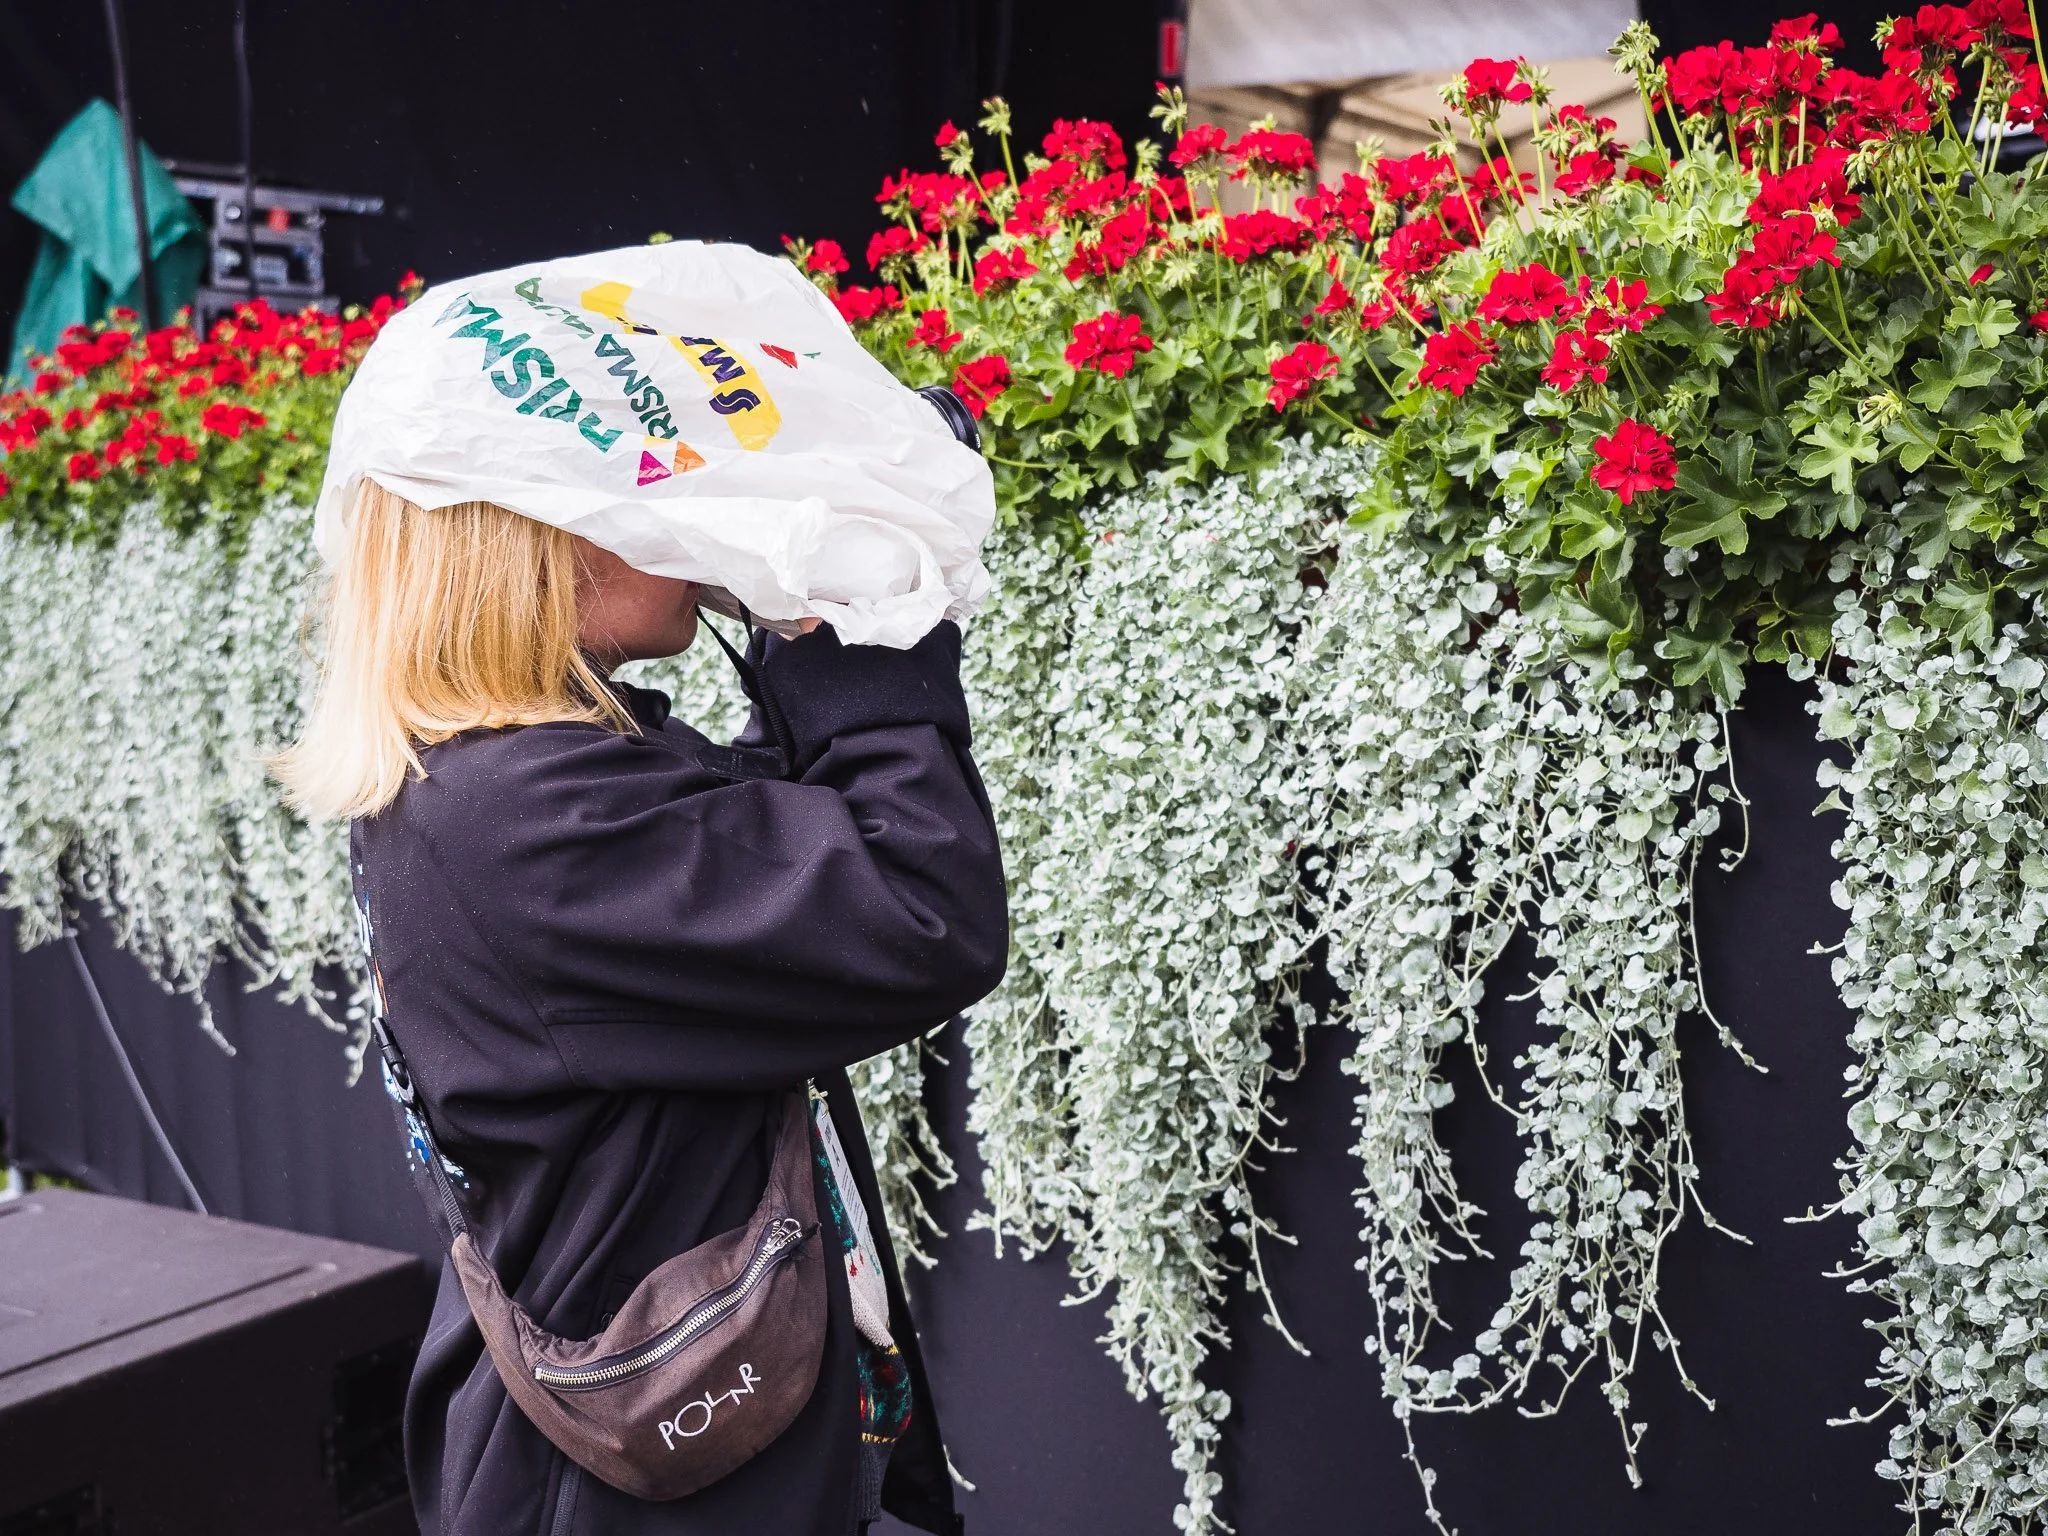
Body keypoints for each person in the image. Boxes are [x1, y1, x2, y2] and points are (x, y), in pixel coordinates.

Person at [275, 483, 1007, 1536]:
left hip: (622, 1420)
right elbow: (917, 907)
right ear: (544, 545)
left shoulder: (481, 777)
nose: (689, 517)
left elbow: (763, 837)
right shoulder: (527, 816)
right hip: (635, 1471)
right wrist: (866, 616)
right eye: (648, 488)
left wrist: (817, 577)